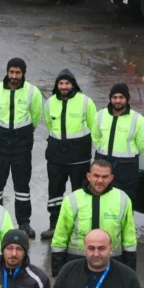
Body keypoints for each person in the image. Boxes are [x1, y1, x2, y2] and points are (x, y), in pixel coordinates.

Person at [50, 159, 137, 277]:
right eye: (96, 176)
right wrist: (58, 271)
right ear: (89, 176)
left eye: (105, 177)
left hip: (112, 262)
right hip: (77, 262)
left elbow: (129, 237)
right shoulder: (73, 199)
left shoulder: (123, 199)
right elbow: (61, 235)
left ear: (111, 178)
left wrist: (130, 271)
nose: (100, 180)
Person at [0, 58, 43, 238]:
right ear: (7, 71)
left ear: (23, 73)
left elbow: (35, 117)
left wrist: (24, 132)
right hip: (0, 143)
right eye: (11, 72)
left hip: (22, 144)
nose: (13, 76)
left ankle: (24, 222)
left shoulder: (32, 92)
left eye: (17, 73)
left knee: (22, 185)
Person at [42, 69, 97, 240]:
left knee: (80, 193)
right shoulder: (50, 103)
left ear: (73, 84)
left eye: (67, 83)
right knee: (55, 193)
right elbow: (49, 125)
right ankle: (55, 225)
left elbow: (93, 126)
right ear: (57, 85)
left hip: (79, 158)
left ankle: (81, 226)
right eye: (61, 83)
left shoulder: (85, 102)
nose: (64, 87)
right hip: (56, 157)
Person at [93, 83, 144, 201]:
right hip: (103, 164)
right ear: (110, 98)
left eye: (121, 97)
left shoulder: (136, 118)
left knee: (125, 201)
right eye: (115, 97)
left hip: (126, 169)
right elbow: (96, 137)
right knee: (101, 200)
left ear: (127, 99)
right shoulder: (100, 115)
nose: (118, 100)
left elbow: (143, 143)